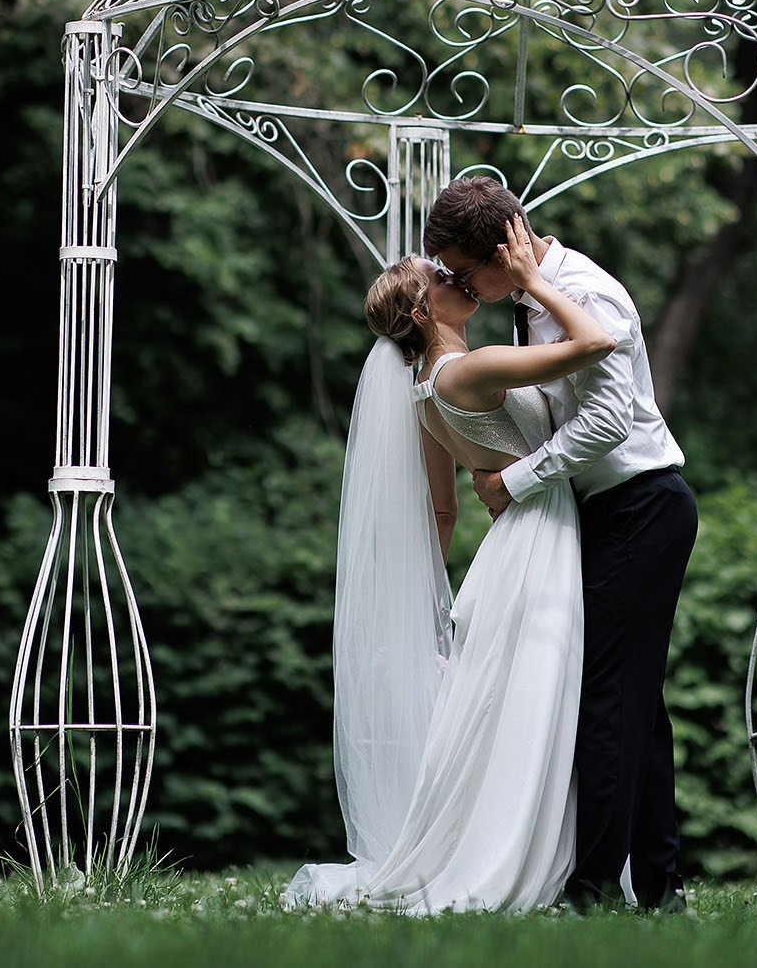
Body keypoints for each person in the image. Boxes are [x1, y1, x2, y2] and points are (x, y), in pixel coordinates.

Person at [285, 217, 615, 912]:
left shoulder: (424, 392)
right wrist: (530, 282)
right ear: (423, 310)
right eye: (440, 277)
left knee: (522, 705)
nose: (455, 278)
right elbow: (593, 342)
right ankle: (528, 859)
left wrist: (422, 600)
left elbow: (442, 511)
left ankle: (529, 848)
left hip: (510, 545)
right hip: (538, 539)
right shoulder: (475, 365)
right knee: (539, 702)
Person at [426, 175, 699, 914]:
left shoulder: (587, 295)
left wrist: (520, 479)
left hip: (643, 505)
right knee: (636, 702)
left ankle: (593, 886)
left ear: (501, 251)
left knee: (608, 696)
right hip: (600, 511)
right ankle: (662, 885)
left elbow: (611, 419)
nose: (460, 286)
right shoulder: (524, 302)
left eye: (462, 270)